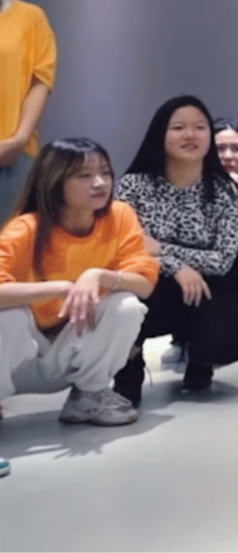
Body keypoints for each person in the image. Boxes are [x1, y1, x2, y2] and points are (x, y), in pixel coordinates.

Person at [0, 138, 159, 476]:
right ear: (54, 181)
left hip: (70, 348)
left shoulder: (119, 215)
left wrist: (98, 275)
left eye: (105, 172)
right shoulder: (26, 228)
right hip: (19, 360)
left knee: (126, 305)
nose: (100, 183)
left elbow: (145, 282)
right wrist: (60, 288)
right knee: (9, 315)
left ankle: (89, 395)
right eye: (84, 175)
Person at [110, 96, 238, 402]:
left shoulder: (225, 190)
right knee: (123, 300)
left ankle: (200, 359)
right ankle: (129, 371)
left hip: (207, 284)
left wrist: (160, 248)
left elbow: (222, 260)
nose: (190, 135)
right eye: (178, 128)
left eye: (199, 127)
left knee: (226, 336)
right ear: (160, 134)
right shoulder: (133, 185)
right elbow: (126, 247)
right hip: (147, 280)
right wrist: (178, 268)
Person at [163, 118, 238, 367]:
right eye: (220, 149)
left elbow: (232, 239)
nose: (228, 156)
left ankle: (203, 349)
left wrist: (230, 195)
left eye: (236, 149)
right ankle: (183, 337)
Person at [0, 0, 58, 222]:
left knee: (10, 243)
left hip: (12, 156)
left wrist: (18, 139)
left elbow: (41, 80)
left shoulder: (30, 18)